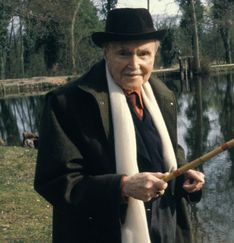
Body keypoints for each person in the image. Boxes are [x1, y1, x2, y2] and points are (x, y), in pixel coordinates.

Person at [34, 8, 205, 243]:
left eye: (143, 54)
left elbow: (168, 150)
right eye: (123, 53)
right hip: (104, 233)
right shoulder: (67, 102)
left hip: (167, 226)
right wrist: (122, 187)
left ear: (154, 55)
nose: (134, 64)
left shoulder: (162, 94)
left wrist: (185, 171)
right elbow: (55, 182)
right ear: (106, 53)